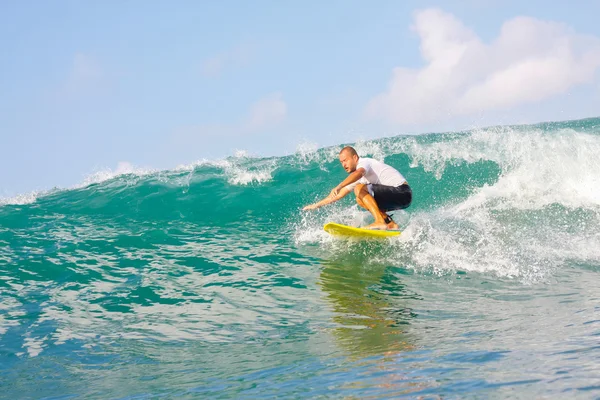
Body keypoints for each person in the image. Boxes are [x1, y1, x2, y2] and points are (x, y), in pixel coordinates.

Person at [302, 146, 412, 230]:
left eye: (345, 160)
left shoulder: (364, 162)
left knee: (359, 189)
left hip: (402, 192)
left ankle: (379, 221)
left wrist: (339, 185)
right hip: (398, 198)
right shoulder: (360, 179)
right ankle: (390, 223)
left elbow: (359, 173)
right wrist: (315, 205)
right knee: (360, 199)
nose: (343, 164)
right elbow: (338, 195)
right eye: (341, 162)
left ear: (354, 157)